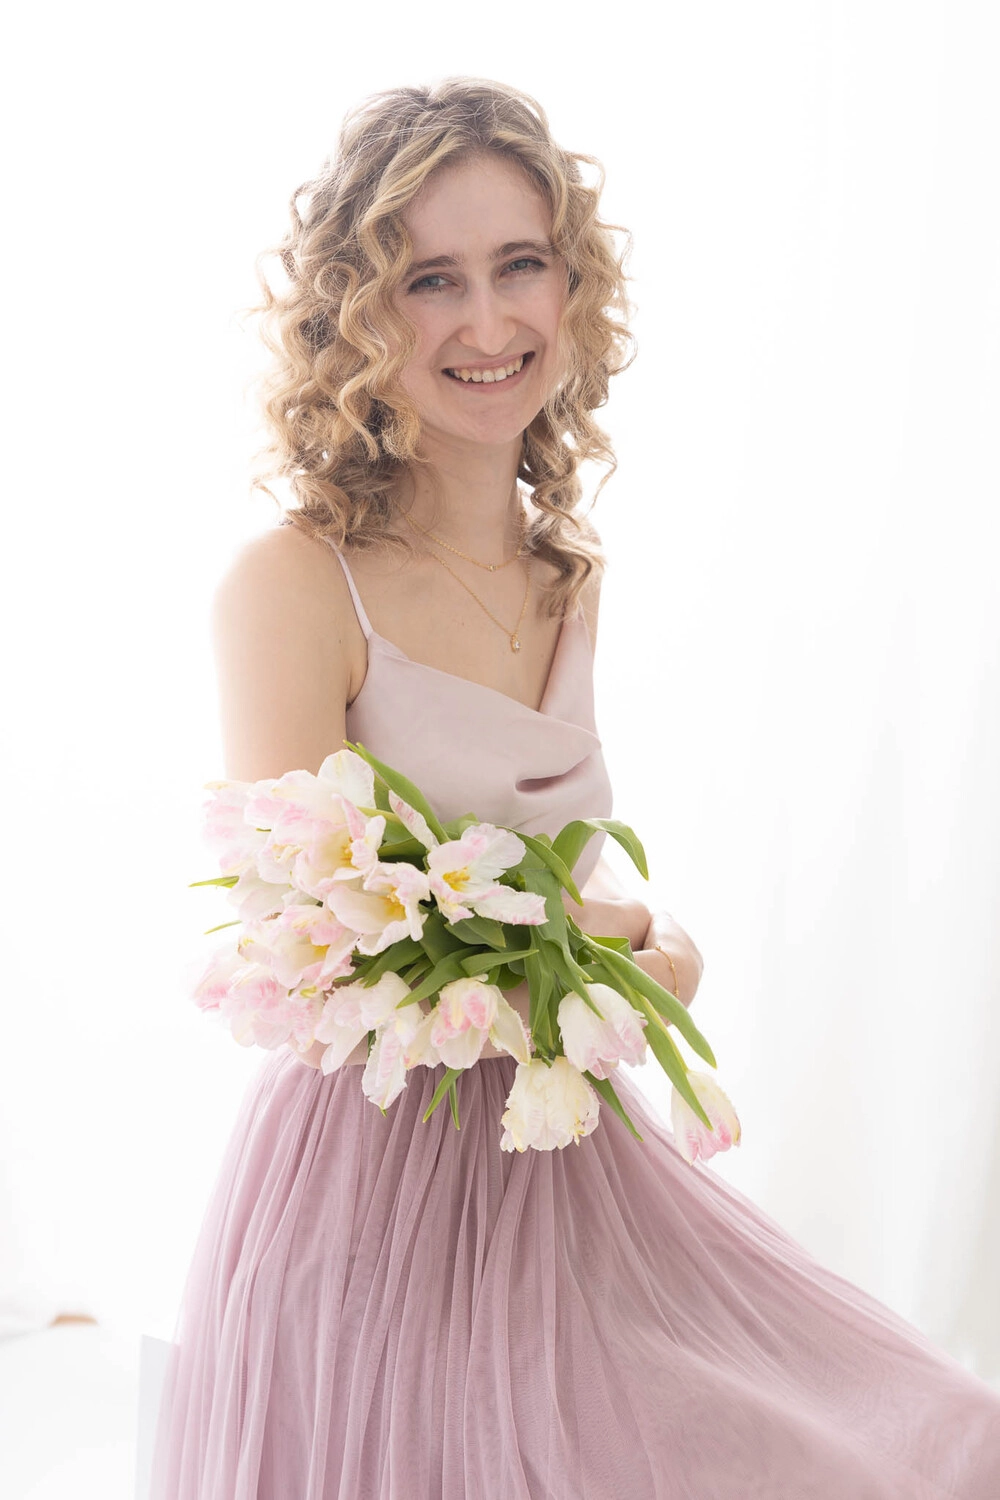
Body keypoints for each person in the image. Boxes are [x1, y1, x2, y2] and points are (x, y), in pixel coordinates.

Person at [150, 78, 1000, 1498]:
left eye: (520, 264)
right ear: (358, 314)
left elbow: (544, 859)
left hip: (568, 1169)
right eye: (433, 279)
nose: (488, 324)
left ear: (573, 284)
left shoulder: (567, 576)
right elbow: (300, 944)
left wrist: (647, 939)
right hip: (376, 1198)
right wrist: (589, 947)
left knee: (929, 1432)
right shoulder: (295, 582)